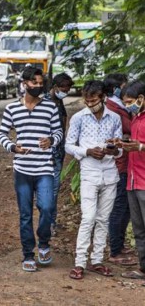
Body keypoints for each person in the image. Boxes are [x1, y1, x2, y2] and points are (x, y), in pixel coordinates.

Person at [0, 66, 63, 272]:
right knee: (25, 214)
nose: (38, 86)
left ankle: (44, 243)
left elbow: (59, 132)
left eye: (41, 83)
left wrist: (51, 140)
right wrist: (13, 147)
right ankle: (28, 254)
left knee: (46, 207)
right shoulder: (12, 109)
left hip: (44, 168)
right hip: (22, 170)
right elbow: (1, 134)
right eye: (34, 83)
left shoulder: (50, 107)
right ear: (25, 83)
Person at [65, 80, 122, 280]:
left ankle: (97, 261)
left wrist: (115, 150)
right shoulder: (79, 118)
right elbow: (69, 145)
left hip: (109, 173)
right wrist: (87, 151)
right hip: (89, 172)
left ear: (103, 97)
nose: (90, 104)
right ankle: (79, 262)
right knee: (88, 218)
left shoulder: (114, 118)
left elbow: (120, 147)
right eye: (87, 101)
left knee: (103, 219)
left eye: (94, 100)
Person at [103, 73, 137, 266]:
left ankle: (119, 244)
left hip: (126, 163)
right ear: (116, 88)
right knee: (119, 208)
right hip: (119, 164)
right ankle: (115, 251)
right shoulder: (114, 109)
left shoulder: (119, 107)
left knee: (125, 208)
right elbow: (129, 130)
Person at [118, 81, 145, 281]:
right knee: (138, 229)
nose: (128, 106)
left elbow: (141, 146)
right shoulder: (136, 119)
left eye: (130, 102)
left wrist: (141, 147)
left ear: (141, 98)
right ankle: (143, 268)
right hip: (133, 180)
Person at [44, 73, 74, 236]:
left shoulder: (59, 101)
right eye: (63, 88)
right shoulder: (45, 103)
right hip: (48, 154)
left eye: (68, 88)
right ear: (55, 87)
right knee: (50, 189)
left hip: (58, 152)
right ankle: (48, 224)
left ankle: (51, 222)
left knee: (54, 188)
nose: (66, 91)